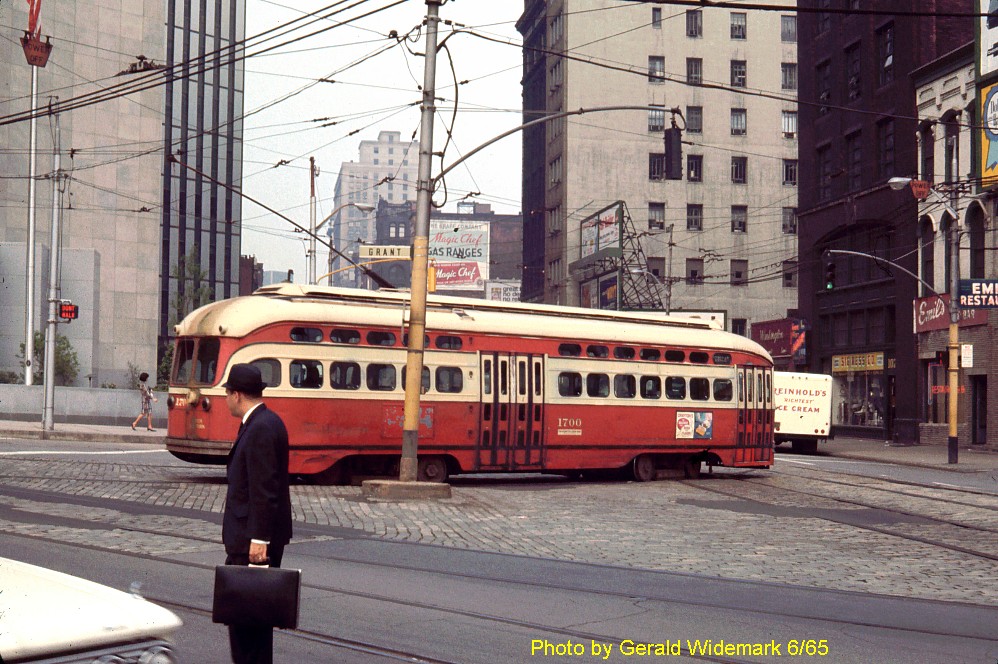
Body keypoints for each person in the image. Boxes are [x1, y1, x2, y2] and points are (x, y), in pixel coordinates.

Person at [221, 363, 293, 664]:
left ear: (236, 394)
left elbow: (264, 488)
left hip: (252, 544)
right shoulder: (265, 421)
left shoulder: (260, 427)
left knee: (246, 629)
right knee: (254, 626)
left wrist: (259, 539)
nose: (225, 399)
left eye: (227, 393)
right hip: (253, 539)